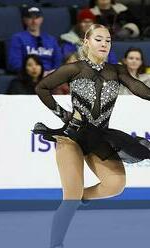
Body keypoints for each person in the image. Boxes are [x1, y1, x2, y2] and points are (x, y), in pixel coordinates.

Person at [32, 24, 150, 248]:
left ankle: (80, 198)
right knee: (70, 196)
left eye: (107, 40)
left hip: (99, 136)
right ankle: (56, 244)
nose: (104, 43)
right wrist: (63, 114)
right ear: (86, 42)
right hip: (72, 136)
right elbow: (42, 88)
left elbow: (139, 88)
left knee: (116, 185)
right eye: (99, 39)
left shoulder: (116, 70)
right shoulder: (74, 69)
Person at [8, 6, 62, 75]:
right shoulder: (17, 38)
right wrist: (37, 73)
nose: (34, 21)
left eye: (37, 17)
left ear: (41, 19)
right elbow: (15, 63)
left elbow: (58, 62)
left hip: (50, 77)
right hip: (28, 77)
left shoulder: (51, 39)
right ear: (24, 20)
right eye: (30, 18)